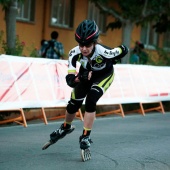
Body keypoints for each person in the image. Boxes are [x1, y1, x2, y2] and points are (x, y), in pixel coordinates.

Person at [42, 20, 128, 161]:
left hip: (103, 76)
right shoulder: (73, 53)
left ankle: (85, 137)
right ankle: (65, 127)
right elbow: (70, 80)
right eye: (81, 45)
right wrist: (78, 77)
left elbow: (123, 49)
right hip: (86, 76)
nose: (84, 49)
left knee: (91, 100)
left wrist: (118, 54)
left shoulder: (104, 51)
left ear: (94, 42)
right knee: (73, 103)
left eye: (87, 45)